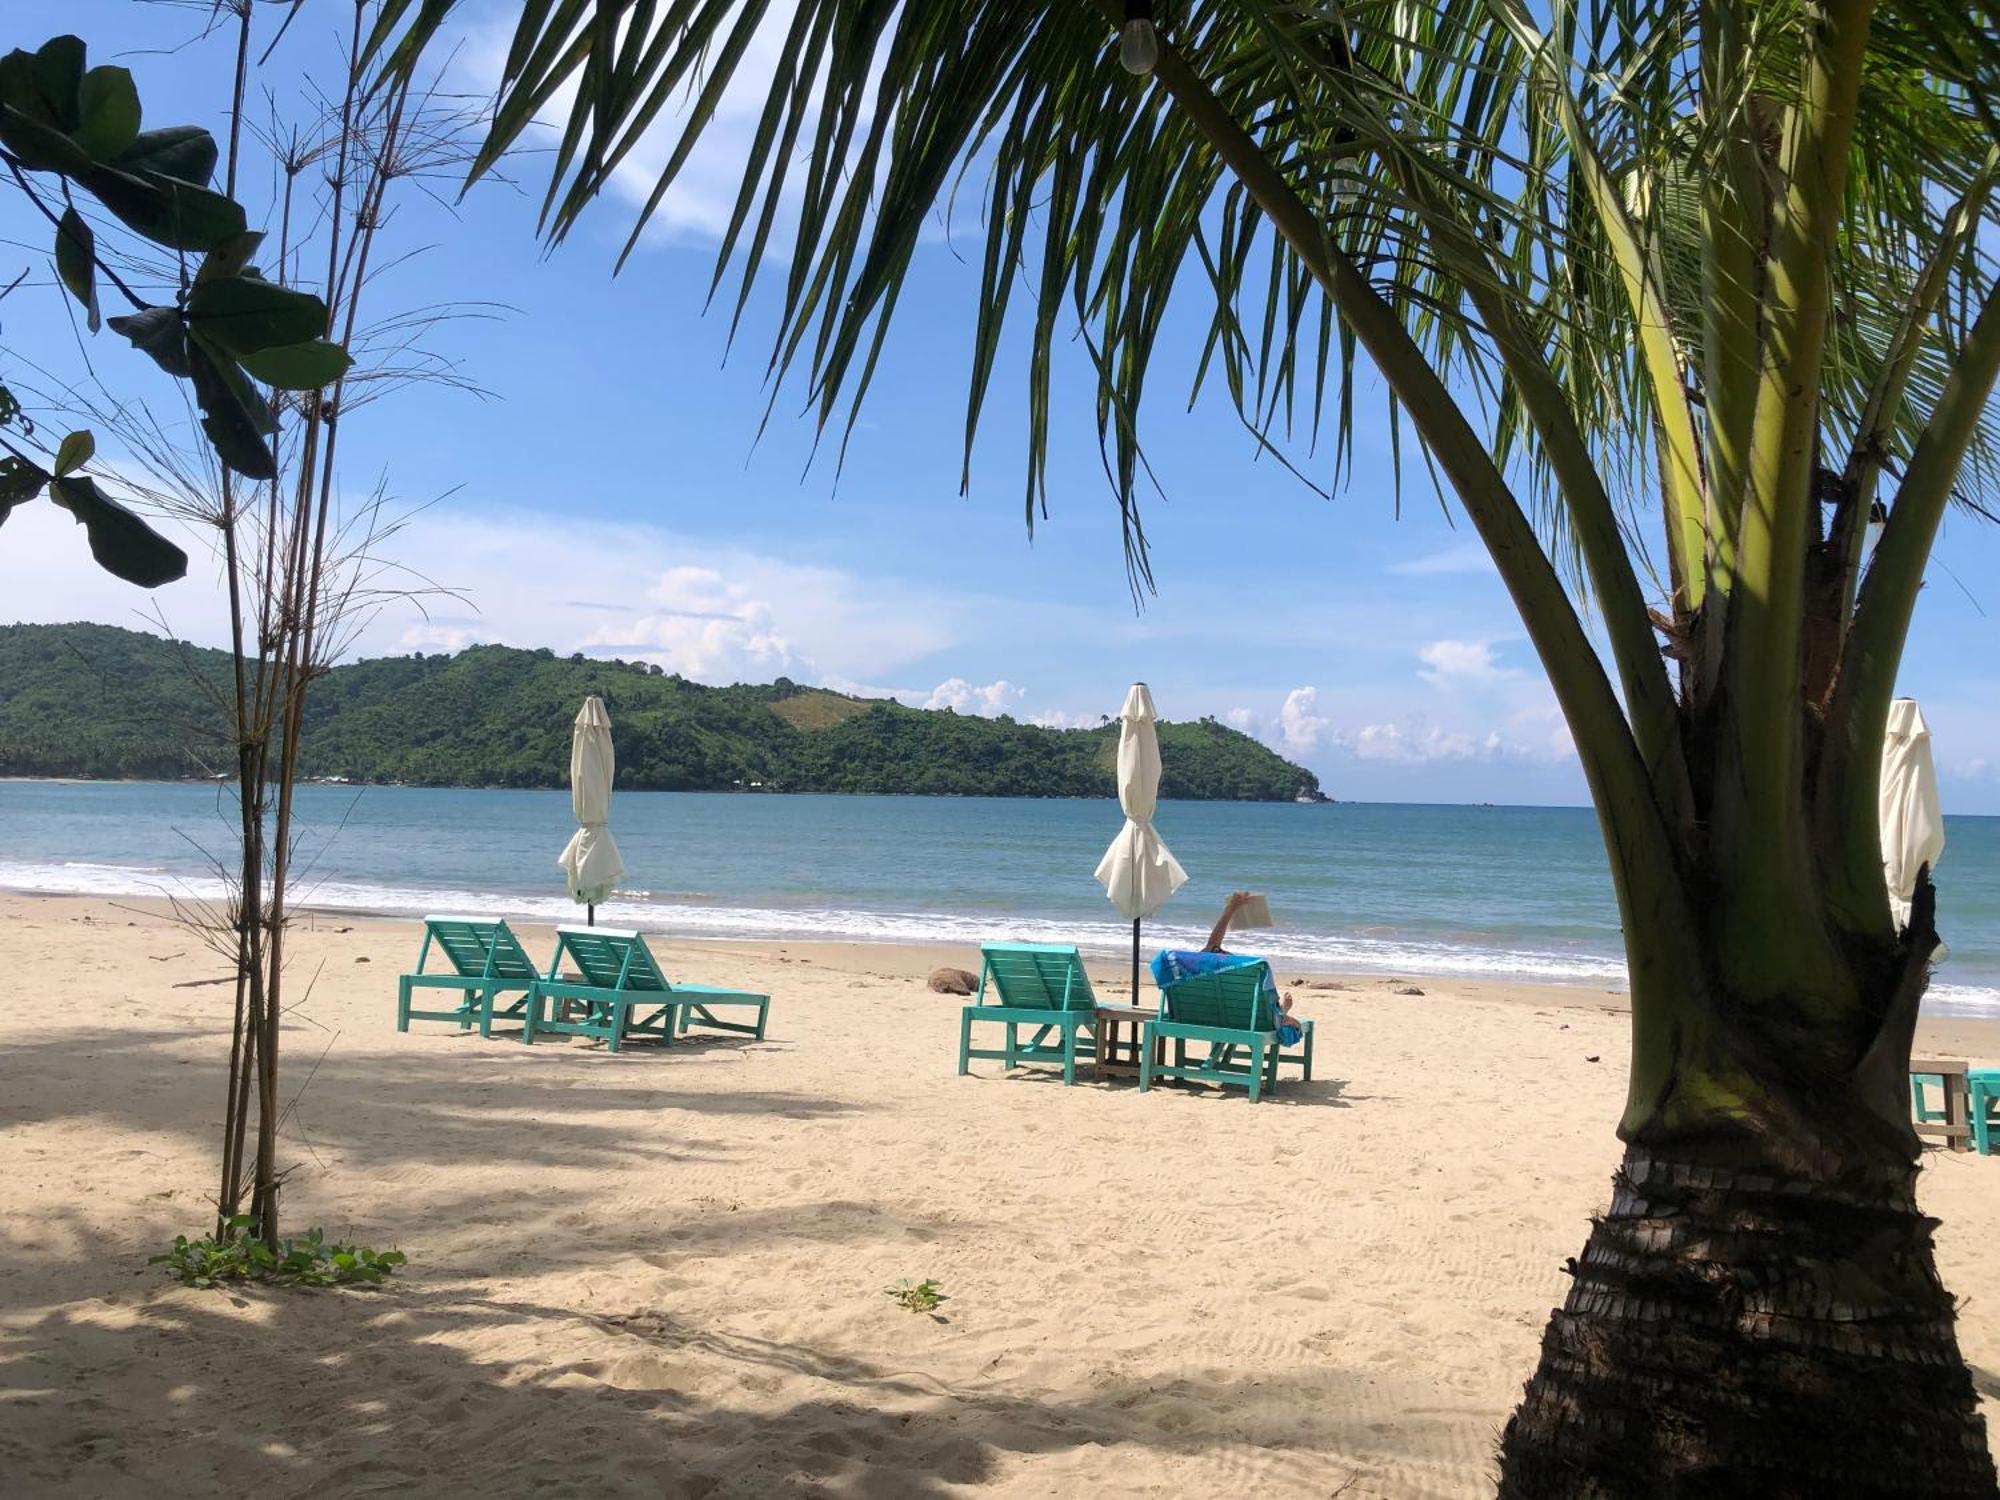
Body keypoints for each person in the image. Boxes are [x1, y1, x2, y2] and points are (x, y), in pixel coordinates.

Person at [1153, 890, 1304, 1044]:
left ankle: (1231, 909)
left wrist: (1231, 909)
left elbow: (1212, 945)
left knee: (1211, 952)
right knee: (1284, 1019)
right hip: (1245, 1023)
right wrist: (1284, 1011)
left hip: (1195, 1016)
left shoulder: (1191, 974)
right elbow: (1285, 1030)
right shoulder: (1255, 973)